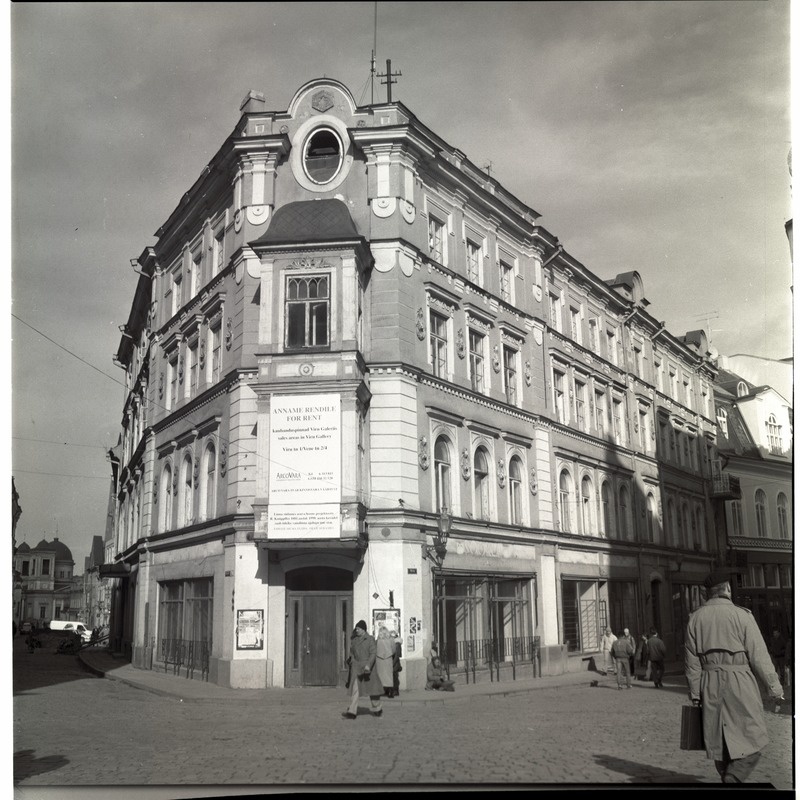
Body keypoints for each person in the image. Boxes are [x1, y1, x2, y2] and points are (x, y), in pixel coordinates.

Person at [685, 568, 784, 784]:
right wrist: (774, 688)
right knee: (753, 735)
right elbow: (759, 655)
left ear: (708, 593)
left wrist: (695, 693)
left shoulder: (695, 618)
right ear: (728, 589)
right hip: (739, 680)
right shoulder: (742, 615)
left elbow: (692, 663)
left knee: (720, 735)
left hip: (709, 682)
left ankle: (728, 777)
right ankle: (733, 777)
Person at [343, 620, 384, 719]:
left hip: (368, 668)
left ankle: (377, 707)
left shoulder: (370, 639)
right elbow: (352, 653)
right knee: (355, 688)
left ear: (364, 630)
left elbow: (373, 653)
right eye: (356, 628)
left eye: (359, 628)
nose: (357, 630)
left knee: (372, 689)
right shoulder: (354, 640)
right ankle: (352, 711)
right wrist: (352, 661)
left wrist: (368, 665)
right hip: (357, 667)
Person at [375, 626, 395, 698]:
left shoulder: (378, 640)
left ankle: (381, 691)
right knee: (389, 675)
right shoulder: (391, 640)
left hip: (379, 659)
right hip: (388, 659)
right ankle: (390, 691)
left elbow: (375, 649)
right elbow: (393, 650)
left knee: (380, 675)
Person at [390, 631, 402, 698]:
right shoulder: (395, 644)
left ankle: (395, 691)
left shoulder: (397, 644)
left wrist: (392, 663)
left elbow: (397, 655)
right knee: (394, 677)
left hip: (395, 663)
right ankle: (394, 690)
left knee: (394, 677)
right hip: (395, 663)